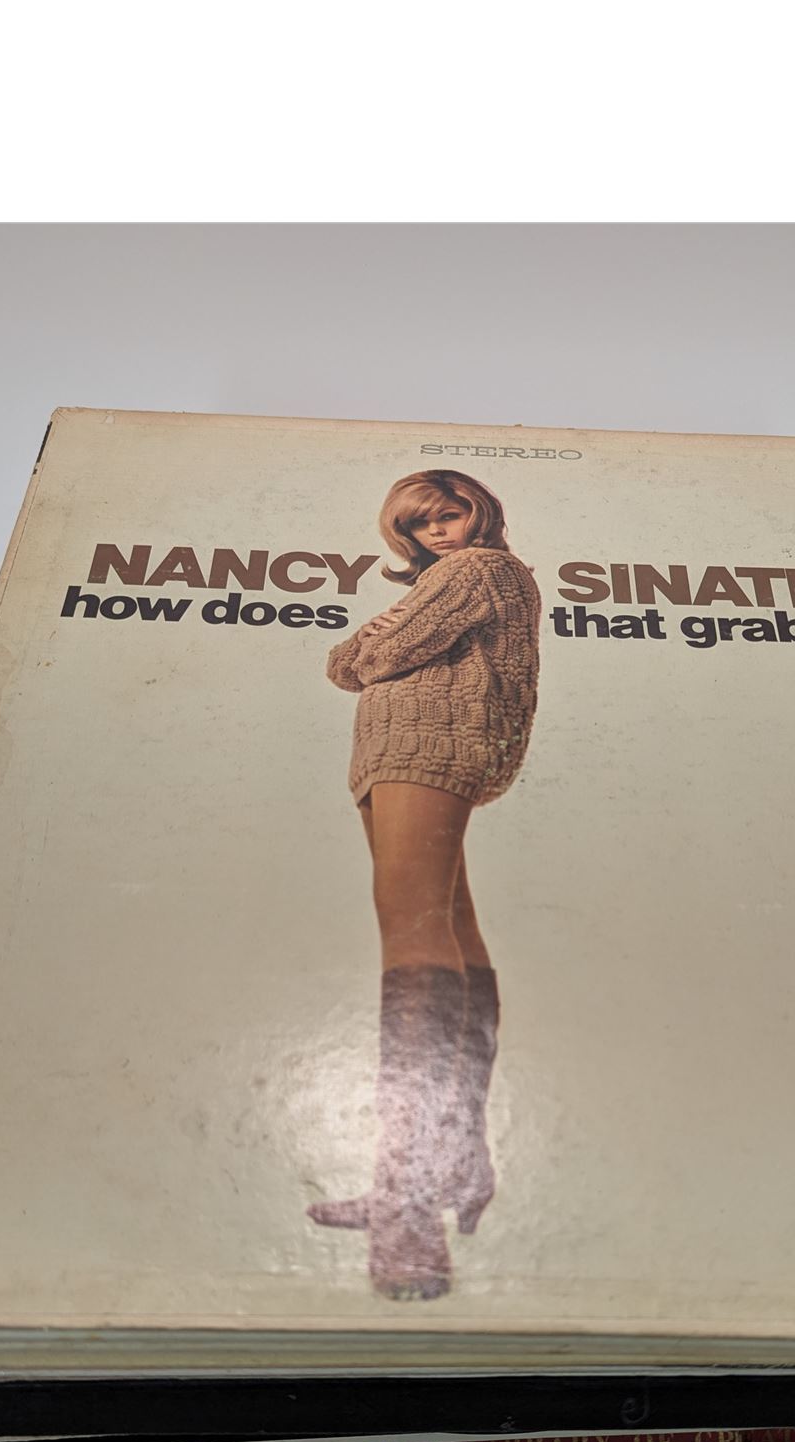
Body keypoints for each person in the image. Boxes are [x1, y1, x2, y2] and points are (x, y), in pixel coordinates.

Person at [314, 470, 542, 1300]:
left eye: (452, 513)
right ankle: (454, 1163)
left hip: (426, 748)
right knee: (448, 927)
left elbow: (362, 658)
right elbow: (366, 659)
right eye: (422, 523)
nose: (440, 530)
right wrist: (368, 650)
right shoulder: (461, 578)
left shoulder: (475, 569)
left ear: (480, 513)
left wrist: (361, 649)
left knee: (411, 932)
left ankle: (407, 1208)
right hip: (407, 753)